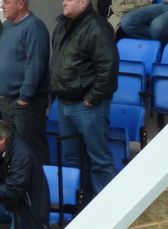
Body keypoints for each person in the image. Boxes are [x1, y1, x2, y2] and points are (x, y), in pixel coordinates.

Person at [50, 0, 119, 198]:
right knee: (70, 160)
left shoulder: (98, 27)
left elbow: (108, 67)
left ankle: (106, 210)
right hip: (65, 104)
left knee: (99, 161)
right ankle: (74, 209)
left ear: (83, 2)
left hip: (88, 106)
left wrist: (92, 98)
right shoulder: (63, 24)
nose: (63, 2)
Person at [0, 0, 50, 165]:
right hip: (7, 101)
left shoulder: (34, 27)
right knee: (12, 152)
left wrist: (25, 98)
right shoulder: (6, 26)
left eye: (7, 2)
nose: (2, 6)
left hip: (26, 105)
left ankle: (40, 189)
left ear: (21, 4)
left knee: (31, 150)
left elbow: (35, 65)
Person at [0, 120, 49, 229]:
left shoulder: (22, 154)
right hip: (9, 204)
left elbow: (13, 189)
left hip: (27, 209)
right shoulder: (5, 148)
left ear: (2, 140)